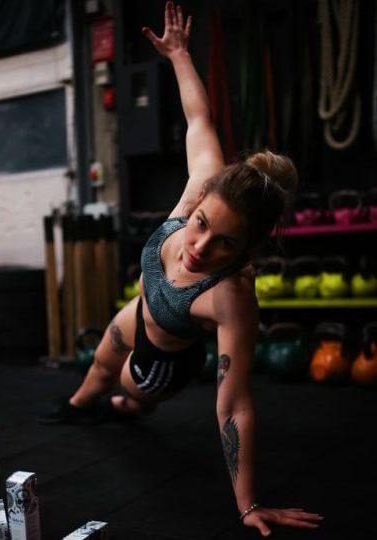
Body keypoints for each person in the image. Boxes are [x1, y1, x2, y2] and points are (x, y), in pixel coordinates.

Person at [40, 2, 323, 536]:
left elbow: (235, 406)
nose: (197, 246)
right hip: (142, 309)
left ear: (249, 247)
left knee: (124, 389)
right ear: (200, 200)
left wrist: (247, 504)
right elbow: (199, 118)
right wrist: (178, 55)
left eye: (223, 244)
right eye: (198, 225)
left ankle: (125, 406)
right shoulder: (206, 186)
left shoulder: (232, 298)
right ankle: (79, 404)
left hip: (164, 359)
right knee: (101, 357)